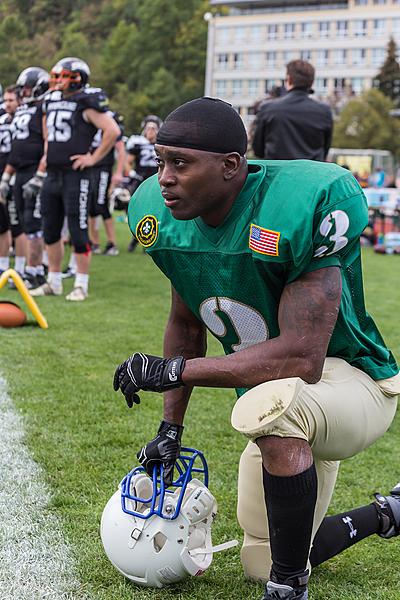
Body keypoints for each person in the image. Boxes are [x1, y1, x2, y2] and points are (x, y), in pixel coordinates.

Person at [113, 97, 400, 600]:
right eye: (160, 161)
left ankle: (289, 588)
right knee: (262, 554)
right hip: (278, 396)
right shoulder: (162, 219)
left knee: (269, 406)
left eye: (181, 163)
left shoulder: (299, 204)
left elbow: (302, 357)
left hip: (352, 383)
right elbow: (186, 319)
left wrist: (174, 371)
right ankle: (388, 513)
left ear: (230, 166)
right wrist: (170, 427)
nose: (164, 178)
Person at [30, 57, 120, 301]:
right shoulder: (51, 101)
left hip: (75, 175)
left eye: (63, 76)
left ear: (77, 78)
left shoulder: (86, 102)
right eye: (57, 76)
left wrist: (93, 158)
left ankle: (81, 284)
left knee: (79, 230)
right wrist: (47, 157)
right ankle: (54, 281)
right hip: (53, 173)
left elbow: (112, 131)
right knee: (50, 229)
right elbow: (48, 134)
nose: (58, 81)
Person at [0, 69, 49, 289]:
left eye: (27, 88)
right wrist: (6, 176)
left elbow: (49, 143)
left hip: (33, 172)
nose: (24, 92)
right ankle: (31, 269)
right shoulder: (23, 110)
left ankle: (34, 270)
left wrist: (40, 174)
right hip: (18, 172)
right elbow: (16, 149)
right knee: (20, 220)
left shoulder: (43, 109)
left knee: (33, 223)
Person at [252, 60, 333, 161]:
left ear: (289, 79)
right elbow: (325, 149)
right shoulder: (324, 111)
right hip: (312, 174)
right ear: (311, 82)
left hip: (278, 174)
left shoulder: (268, 109)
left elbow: (258, 150)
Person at [125, 115, 162, 252]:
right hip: (140, 181)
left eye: (153, 128)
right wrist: (132, 174)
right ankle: (136, 237)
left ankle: (149, 239)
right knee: (137, 210)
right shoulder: (137, 142)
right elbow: (127, 162)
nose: (151, 131)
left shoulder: (161, 144)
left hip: (157, 181)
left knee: (155, 211)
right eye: (148, 128)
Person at [0, 86, 19, 276]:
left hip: (16, 176)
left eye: (11, 100)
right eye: (6, 100)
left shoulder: (23, 120)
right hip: (3, 176)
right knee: (2, 224)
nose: (7, 104)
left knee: (19, 225)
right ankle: (3, 265)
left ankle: (23, 268)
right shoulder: (2, 120)